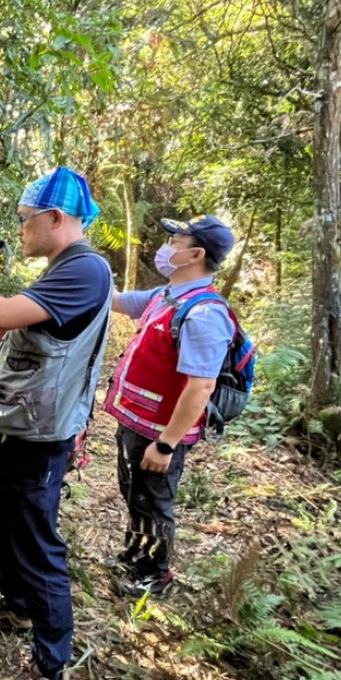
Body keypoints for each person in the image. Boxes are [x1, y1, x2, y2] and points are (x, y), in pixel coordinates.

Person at [0, 167, 113, 680]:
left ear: (55, 218)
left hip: (39, 433)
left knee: (37, 540)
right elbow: (5, 326)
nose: (20, 230)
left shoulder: (84, 270)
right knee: (5, 519)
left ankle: (51, 667)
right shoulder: (61, 269)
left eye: (24, 220)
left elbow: (4, 315)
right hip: (18, 425)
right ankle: (16, 606)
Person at [103, 215, 236, 599]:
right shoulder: (165, 296)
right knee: (135, 491)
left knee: (155, 498)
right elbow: (117, 302)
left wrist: (167, 444)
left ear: (196, 253)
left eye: (176, 242)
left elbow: (201, 385)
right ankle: (135, 553)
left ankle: (155, 572)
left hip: (160, 433)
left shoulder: (204, 313)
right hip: (136, 421)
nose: (167, 248)